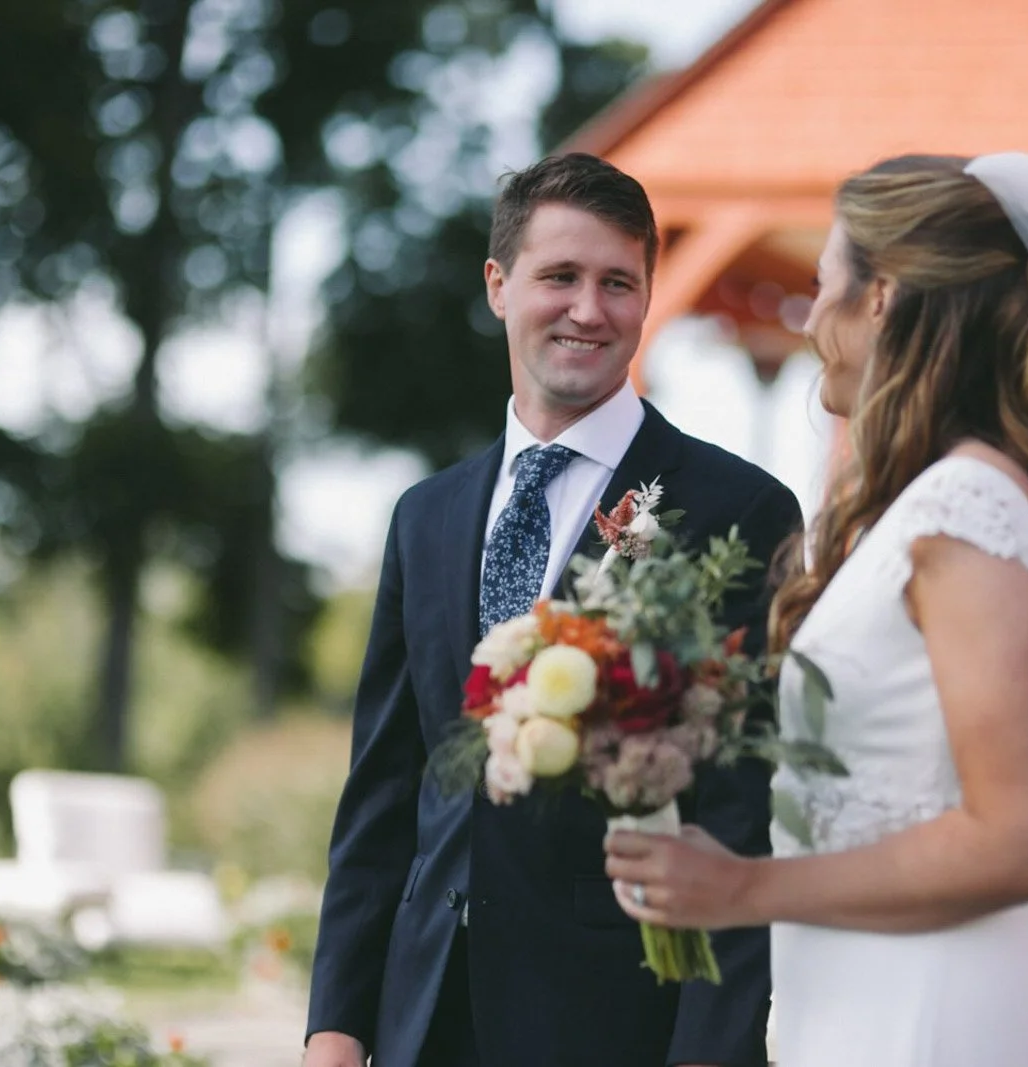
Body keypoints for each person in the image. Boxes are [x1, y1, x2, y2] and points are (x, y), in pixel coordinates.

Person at [605, 153, 1028, 1066]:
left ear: (883, 298)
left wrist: (746, 888)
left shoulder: (967, 511)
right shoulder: (927, 509)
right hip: (859, 1002)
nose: (811, 316)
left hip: (931, 1014)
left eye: (825, 287)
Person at [305, 152, 802, 1067]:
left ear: (647, 299)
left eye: (618, 282)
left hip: (613, 1019)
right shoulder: (426, 516)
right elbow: (382, 793)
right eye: (560, 277)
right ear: (498, 286)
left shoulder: (736, 509)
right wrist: (336, 1027)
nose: (589, 309)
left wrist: (710, 1053)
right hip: (423, 1013)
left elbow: (741, 814)